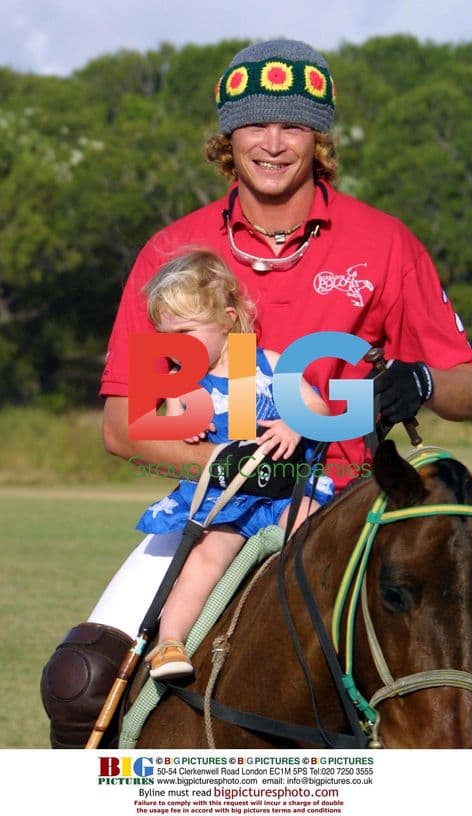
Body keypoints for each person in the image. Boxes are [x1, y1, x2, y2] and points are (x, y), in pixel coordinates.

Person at [41, 38, 472, 748]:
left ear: (320, 137)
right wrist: (224, 459)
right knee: (81, 683)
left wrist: (425, 380)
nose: (274, 143)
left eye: (294, 125)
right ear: (228, 136)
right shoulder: (178, 256)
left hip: (351, 508)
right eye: (255, 123)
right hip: (219, 504)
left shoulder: (382, 244)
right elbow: (128, 425)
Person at [136, 249, 333, 679]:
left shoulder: (269, 364)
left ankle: (320, 630)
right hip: (228, 499)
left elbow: (320, 407)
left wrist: (293, 423)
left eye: (185, 332)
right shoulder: (185, 383)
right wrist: (183, 429)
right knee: (206, 557)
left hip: (284, 488)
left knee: (311, 533)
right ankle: (170, 643)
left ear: (227, 319)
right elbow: (172, 429)